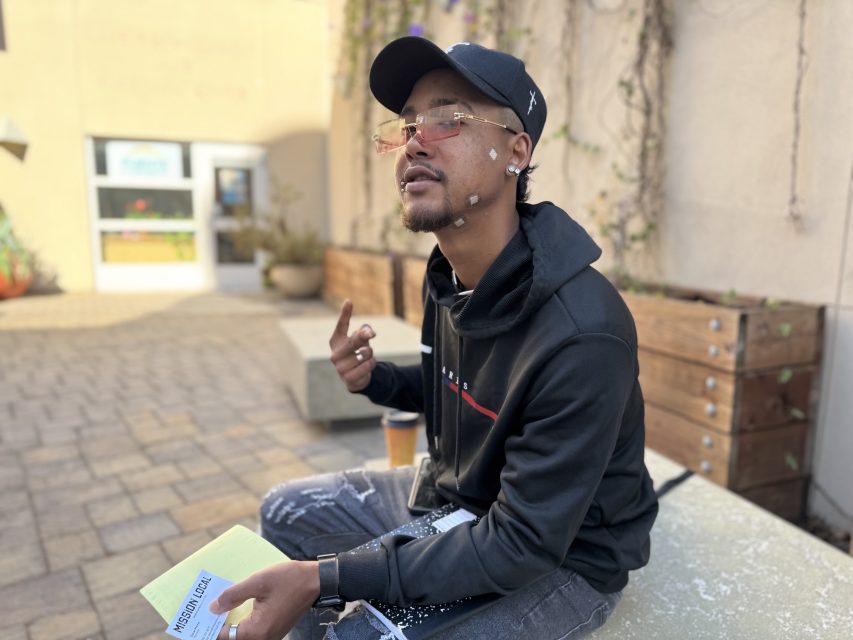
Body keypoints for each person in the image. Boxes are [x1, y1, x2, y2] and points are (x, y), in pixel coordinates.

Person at [212, 37, 658, 640]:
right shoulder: (451, 275)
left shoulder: (583, 332)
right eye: (408, 124)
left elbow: (518, 544)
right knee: (285, 512)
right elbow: (468, 393)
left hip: (560, 556)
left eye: (449, 119)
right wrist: (378, 381)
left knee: (360, 633)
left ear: (516, 152)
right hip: (456, 498)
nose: (416, 140)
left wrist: (327, 576)